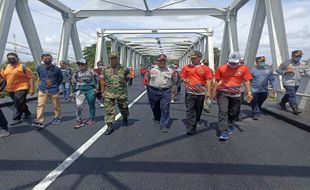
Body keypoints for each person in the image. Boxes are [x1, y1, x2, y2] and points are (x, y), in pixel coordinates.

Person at [211, 52, 253, 141]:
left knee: (232, 112)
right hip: (223, 93)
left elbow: (247, 81)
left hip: (236, 94)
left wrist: (249, 92)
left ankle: (230, 125)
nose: (233, 64)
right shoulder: (221, 68)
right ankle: (223, 131)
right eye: (231, 62)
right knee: (223, 111)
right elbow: (216, 81)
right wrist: (213, 92)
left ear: (239, 61)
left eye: (235, 62)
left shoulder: (244, 69)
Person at [180, 51, 213, 135]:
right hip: (190, 93)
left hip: (201, 94)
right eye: (191, 58)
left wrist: (209, 92)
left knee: (198, 110)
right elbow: (182, 76)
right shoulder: (186, 67)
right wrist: (184, 79)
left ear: (199, 58)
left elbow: (208, 80)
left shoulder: (206, 69)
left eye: (194, 58)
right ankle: (191, 128)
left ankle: (196, 120)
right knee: (190, 110)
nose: (192, 59)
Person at [0, 52, 34, 126]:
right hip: (11, 89)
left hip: (22, 87)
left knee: (18, 102)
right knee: (19, 102)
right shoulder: (5, 68)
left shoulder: (23, 67)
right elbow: (3, 79)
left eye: (13, 58)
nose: (11, 60)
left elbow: (30, 78)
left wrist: (32, 88)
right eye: (9, 58)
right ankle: (27, 112)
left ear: (17, 59)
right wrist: (1, 88)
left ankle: (16, 118)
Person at [144, 54, 174, 133]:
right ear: (157, 61)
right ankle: (157, 117)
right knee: (154, 105)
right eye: (160, 60)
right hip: (153, 90)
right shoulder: (151, 69)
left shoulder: (170, 70)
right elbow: (147, 79)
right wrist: (148, 88)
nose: (162, 62)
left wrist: (173, 90)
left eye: (164, 60)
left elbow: (174, 80)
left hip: (166, 90)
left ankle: (164, 124)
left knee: (165, 107)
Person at [102, 52, 130, 135]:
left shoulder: (124, 69)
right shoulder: (105, 69)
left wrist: (124, 81)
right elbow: (102, 80)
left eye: (115, 58)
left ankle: (125, 117)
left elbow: (128, 77)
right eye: (112, 58)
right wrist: (102, 91)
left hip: (121, 92)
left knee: (123, 107)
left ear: (118, 59)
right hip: (109, 92)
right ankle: (109, 126)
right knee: (108, 109)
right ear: (110, 59)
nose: (113, 59)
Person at [32, 53, 63, 128]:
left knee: (56, 105)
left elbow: (60, 79)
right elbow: (40, 76)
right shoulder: (39, 67)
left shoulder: (57, 69)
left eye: (49, 59)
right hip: (42, 89)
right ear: (42, 59)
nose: (47, 60)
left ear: (52, 59)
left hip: (54, 89)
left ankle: (57, 117)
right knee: (40, 105)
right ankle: (39, 121)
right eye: (45, 59)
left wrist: (55, 86)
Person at [276, 50, 310, 114]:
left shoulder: (302, 64)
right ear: (292, 56)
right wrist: (285, 72)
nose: (298, 57)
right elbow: (278, 70)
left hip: (297, 83)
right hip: (288, 82)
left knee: (289, 94)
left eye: (300, 56)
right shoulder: (286, 62)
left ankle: (282, 103)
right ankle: (295, 108)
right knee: (292, 94)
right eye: (297, 56)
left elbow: (307, 71)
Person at [72, 59, 98, 128]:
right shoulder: (76, 73)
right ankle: (79, 120)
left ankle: (92, 118)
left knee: (91, 104)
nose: (80, 66)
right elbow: (73, 82)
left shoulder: (91, 72)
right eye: (79, 64)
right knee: (78, 105)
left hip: (90, 90)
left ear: (86, 65)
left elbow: (97, 80)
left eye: (82, 64)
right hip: (81, 91)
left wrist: (96, 89)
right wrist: (73, 92)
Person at [251, 56, 277, 120]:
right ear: (256, 62)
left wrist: (274, 87)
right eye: (261, 61)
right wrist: (247, 89)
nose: (262, 63)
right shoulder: (252, 71)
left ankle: (258, 108)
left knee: (262, 99)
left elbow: (272, 79)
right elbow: (248, 80)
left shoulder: (268, 71)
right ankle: (255, 113)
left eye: (263, 61)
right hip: (254, 89)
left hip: (264, 90)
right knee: (254, 101)